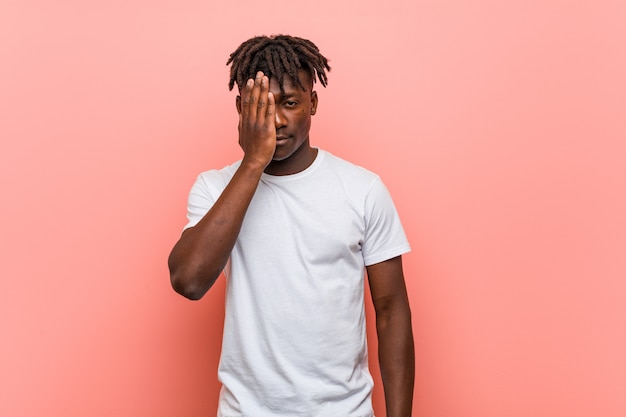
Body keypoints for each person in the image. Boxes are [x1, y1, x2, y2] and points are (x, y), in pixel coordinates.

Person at [168, 34, 414, 417]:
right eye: (263, 107)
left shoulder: (362, 189)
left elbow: (391, 309)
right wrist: (253, 163)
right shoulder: (214, 188)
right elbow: (188, 280)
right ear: (241, 109)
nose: (277, 119)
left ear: (313, 103)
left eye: (290, 103)